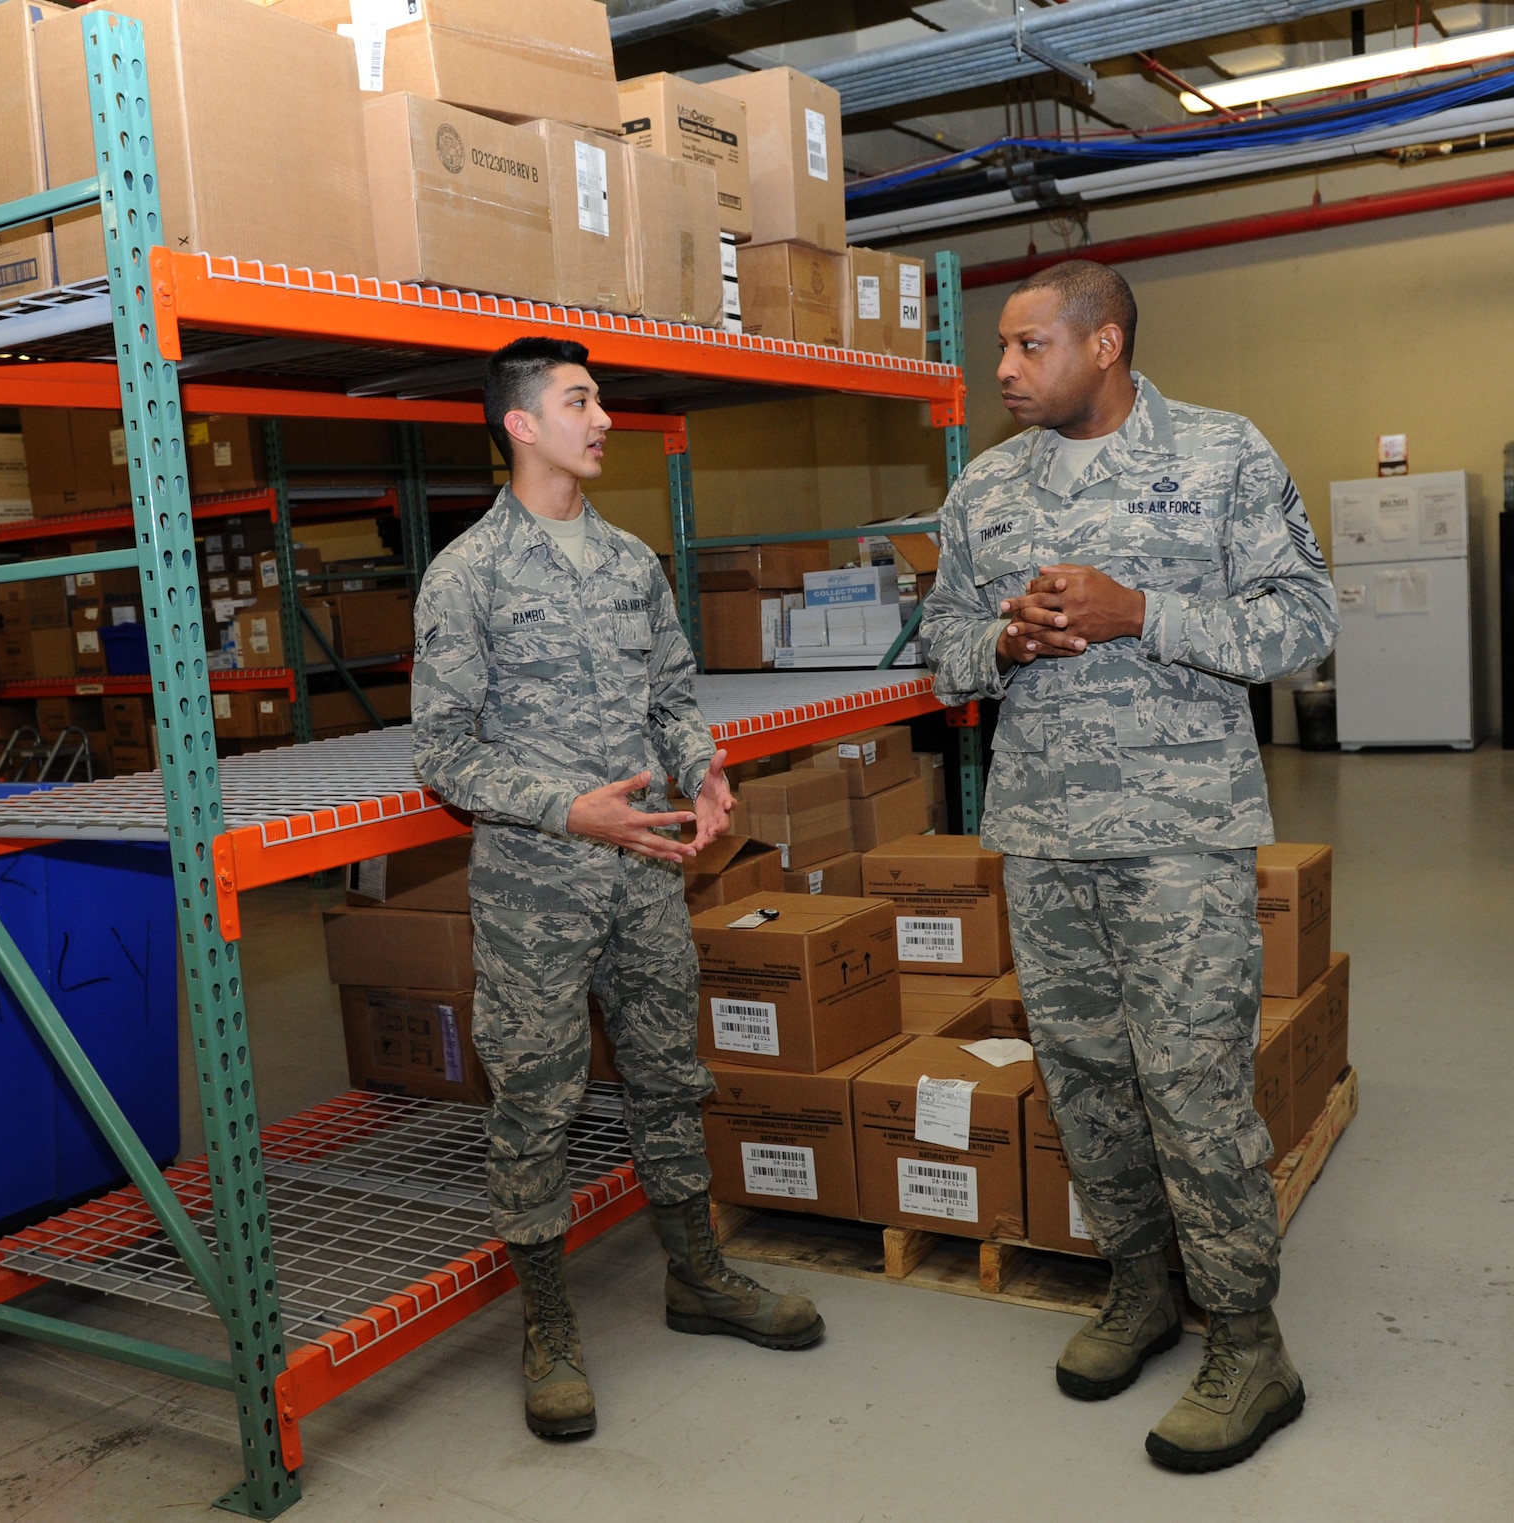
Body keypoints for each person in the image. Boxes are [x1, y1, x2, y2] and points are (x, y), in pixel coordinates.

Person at [920, 260, 1338, 1472]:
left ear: (1101, 345)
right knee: (1086, 1079)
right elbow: (942, 646)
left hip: (1178, 836)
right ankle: (1138, 1288)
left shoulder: (1217, 454)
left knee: (1191, 1089)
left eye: (1025, 345)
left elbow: (1301, 620)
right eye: (995, 347)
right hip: (1042, 836)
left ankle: (1249, 1341)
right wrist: (1002, 635)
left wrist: (1134, 610)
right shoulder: (985, 486)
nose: (1000, 369)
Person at [412, 336, 823, 1440]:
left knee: (668, 1075)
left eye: (599, 401)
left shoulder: (631, 562)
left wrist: (707, 769)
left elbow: (674, 696)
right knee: (535, 1103)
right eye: (579, 401)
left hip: (645, 879)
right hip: (535, 891)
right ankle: (548, 1330)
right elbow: (444, 752)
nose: (602, 419)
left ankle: (696, 1276)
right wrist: (567, 808)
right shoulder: (466, 575)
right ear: (520, 424)